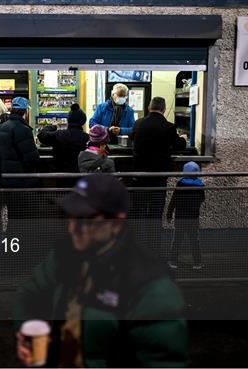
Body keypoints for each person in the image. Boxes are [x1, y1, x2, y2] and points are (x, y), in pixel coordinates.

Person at [14, 174, 189, 367]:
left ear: (116, 223)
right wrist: (24, 328)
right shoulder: (65, 254)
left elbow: (164, 361)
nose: (73, 228)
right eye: (70, 216)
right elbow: (30, 292)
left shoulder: (150, 285)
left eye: (85, 220)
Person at [128, 97, 187, 249]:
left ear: (149, 107)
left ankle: (136, 247)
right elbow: (179, 145)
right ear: (164, 109)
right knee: (155, 213)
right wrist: (182, 139)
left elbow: (131, 138)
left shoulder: (138, 123)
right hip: (158, 177)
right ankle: (153, 248)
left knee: (138, 213)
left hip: (139, 176)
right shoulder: (168, 127)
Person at [0, 96, 40, 188]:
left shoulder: (0, 127)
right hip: (21, 178)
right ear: (26, 111)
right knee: (22, 202)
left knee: (10, 201)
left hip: (4, 177)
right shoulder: (24, 129)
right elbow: (31, 158)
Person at [166, 161, 205, 270]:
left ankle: (173, 262)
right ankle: (197, 263)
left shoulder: (180, 184)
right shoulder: (200, 184)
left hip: (180, 217)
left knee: (177, 240)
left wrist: (169, 214)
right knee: (194, 241)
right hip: (193, 218)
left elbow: (173, 200)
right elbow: (202, 199)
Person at [37, 103, 89, 173]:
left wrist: (53, 126)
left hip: (60, 175)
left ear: (68, 120)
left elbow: (41, 135)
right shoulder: (86, 137)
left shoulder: (59, 134)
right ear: (83, 121)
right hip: (79, 176)